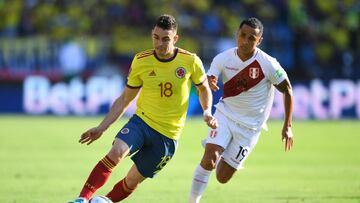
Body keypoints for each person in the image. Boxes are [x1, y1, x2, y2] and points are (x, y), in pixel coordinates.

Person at [68, 14, 217, 203]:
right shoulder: (141, 61)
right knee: (116, 152)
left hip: (168, 136)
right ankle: (82, 199)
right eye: (156, 37)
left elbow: (203, 88)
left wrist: (207, 111)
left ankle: (105, 201)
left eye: (165, 39)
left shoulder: (190, 61)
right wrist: (101, 127)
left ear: (175, 39)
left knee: (131, 180)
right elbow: (124, 99)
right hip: (142, 122)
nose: (160, 44)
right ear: (151, 35)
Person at [188, 17, 294, 203]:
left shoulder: (268, 63)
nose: (245, 41)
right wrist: (210, 80)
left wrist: (288, 125)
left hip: (250, 128)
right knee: (209, 159)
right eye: (242, 35)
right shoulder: (223, 58)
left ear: (259, 41)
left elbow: (288, 90)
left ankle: (225, 151)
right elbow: (209, 79)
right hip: (225, 115)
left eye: (251, 38)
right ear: (236, 34)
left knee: (222, 177)